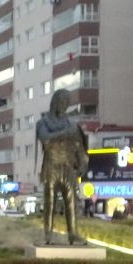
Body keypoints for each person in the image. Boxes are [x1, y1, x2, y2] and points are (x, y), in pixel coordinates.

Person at [35, 88, 89, 245]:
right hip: (51, 165)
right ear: (55, 102)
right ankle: (47, 235)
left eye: (67, 103)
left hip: (68, 166)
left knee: (71, 201)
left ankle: (73, 234)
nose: (64, 105)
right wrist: (66, 133)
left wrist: (83, 163)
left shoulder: (72, 124)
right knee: (49, 201)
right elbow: (45, 139)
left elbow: (79, 146)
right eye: (62, 102)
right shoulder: (43, 123)